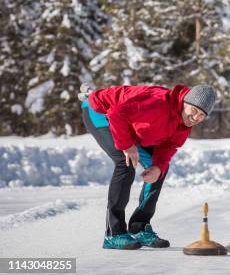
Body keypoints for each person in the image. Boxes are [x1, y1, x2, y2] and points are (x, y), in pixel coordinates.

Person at [79, 83, 216, 250]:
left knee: (158, 170)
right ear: (185, 102)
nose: (195, 118)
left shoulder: (184, 123)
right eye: (194, 111)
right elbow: (116, 113)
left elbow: (168, 147)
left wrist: (157, 167)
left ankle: (139, 227)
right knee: (125, 163)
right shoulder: (158, 104)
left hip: (129, 124)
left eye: (201, 115)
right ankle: (114, 234)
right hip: (101, 112)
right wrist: (127, 145)